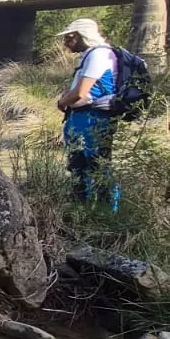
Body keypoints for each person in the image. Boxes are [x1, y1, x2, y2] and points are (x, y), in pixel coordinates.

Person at [54, 18, 120, 211]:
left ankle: (105, 213)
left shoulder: (99, 55)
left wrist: (62, 102)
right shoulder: (91, 55)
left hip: (93, 119)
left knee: (97, 164)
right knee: (80, 165)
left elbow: (81, 93)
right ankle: (83, 210)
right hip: (84, 117)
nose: (66, 43)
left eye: (69, 38)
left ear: (81, 36)